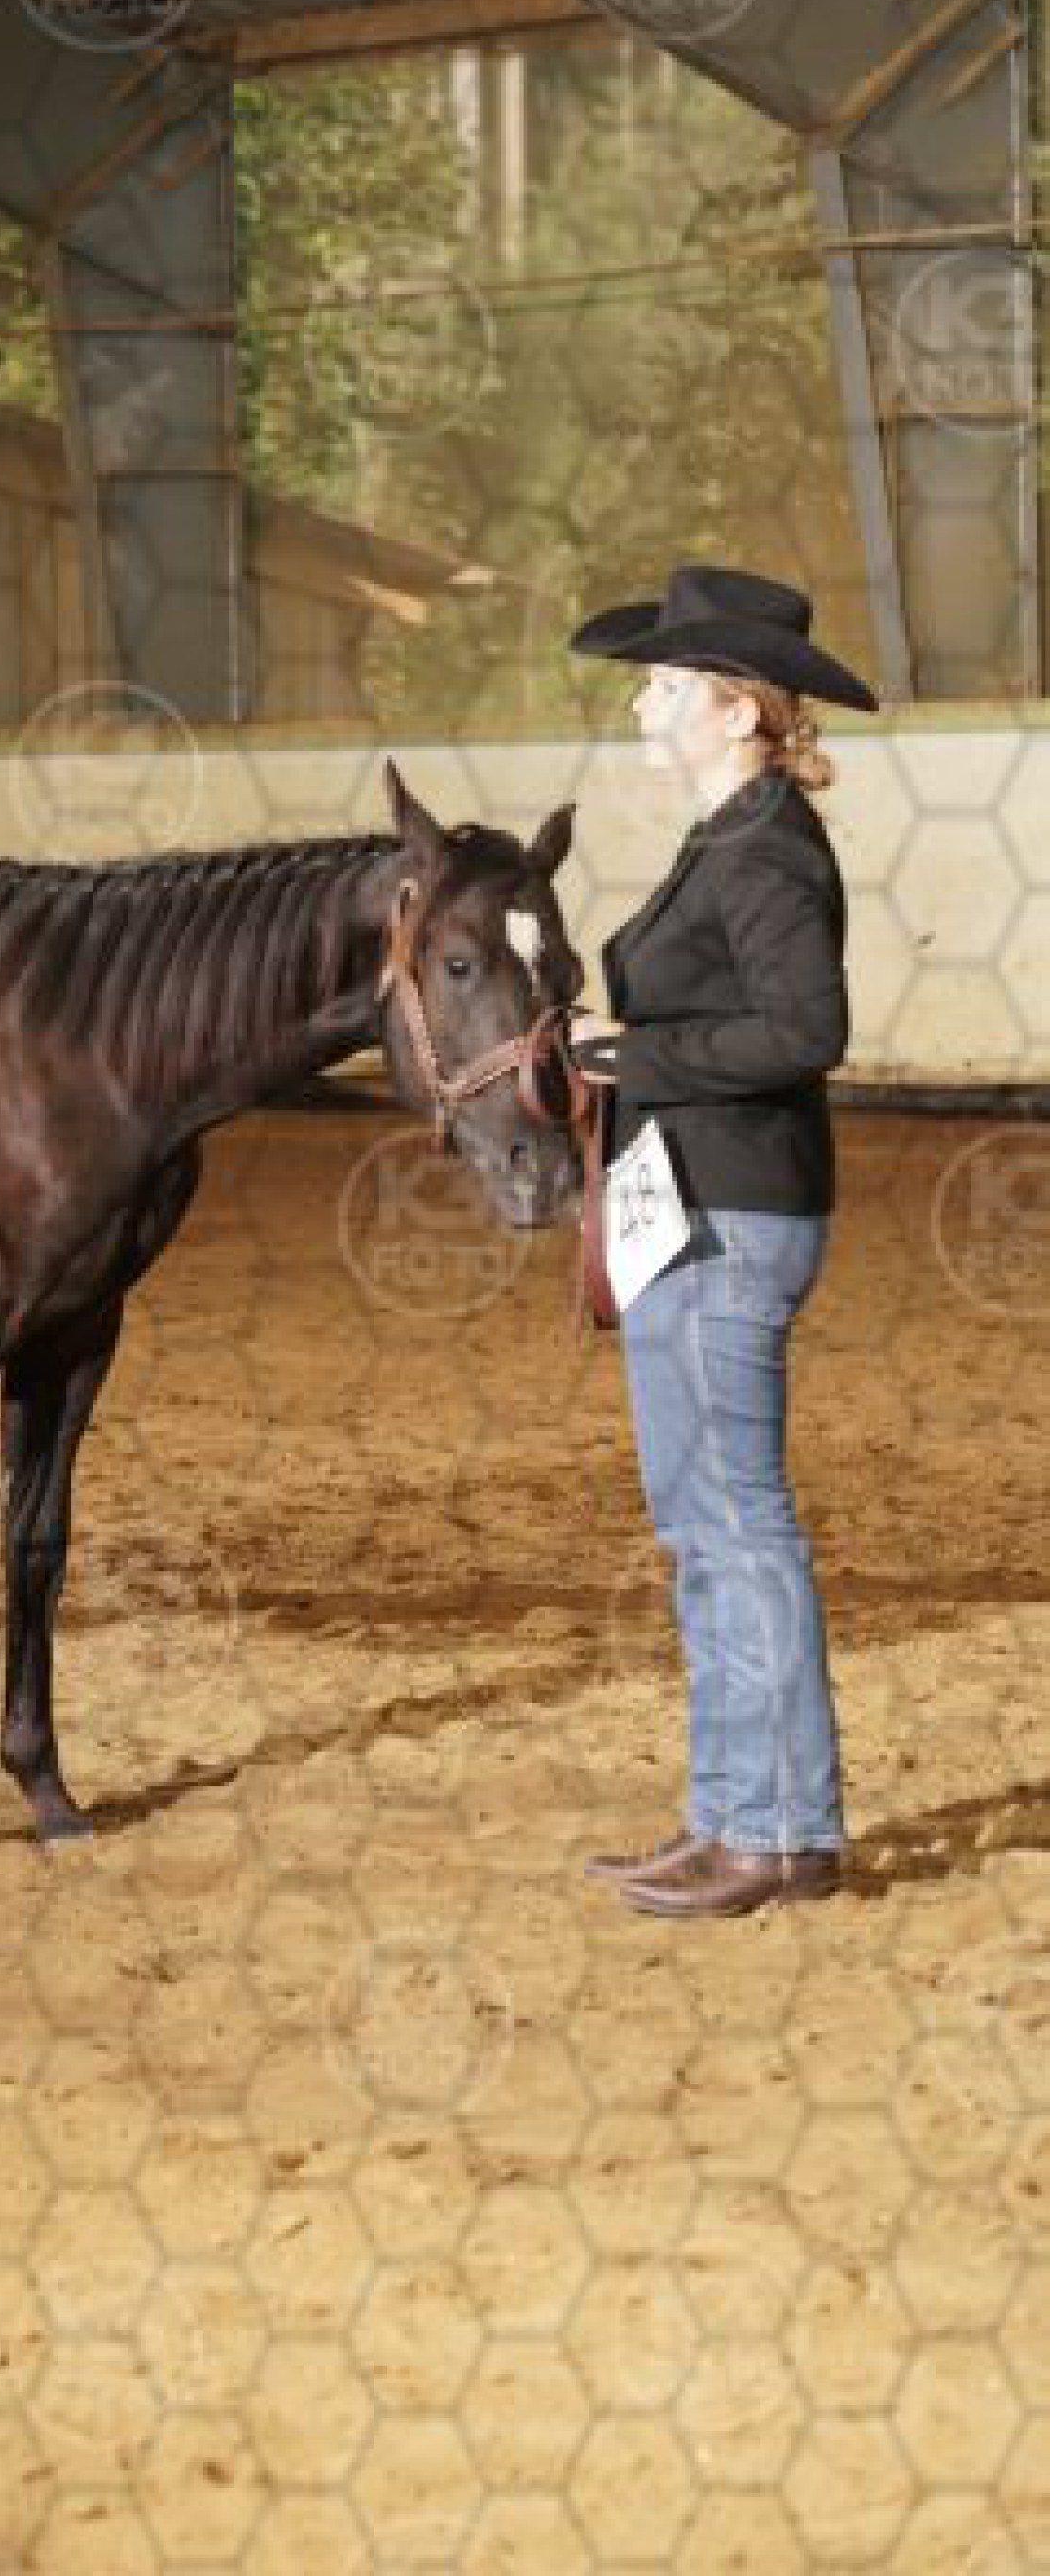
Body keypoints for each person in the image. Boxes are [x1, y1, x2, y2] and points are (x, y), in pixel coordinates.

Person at [564, 565, 879, 1921]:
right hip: (694, 1204)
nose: (643, 702)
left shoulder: (765, 850)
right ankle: (734, 1817)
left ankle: (783, 1832)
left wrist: (630, 1052)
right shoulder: (730, 836)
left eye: (664, 682)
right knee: (705, 1526)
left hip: (733, 1214)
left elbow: (808, 1032)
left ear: (738, 709)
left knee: (737, 1523)